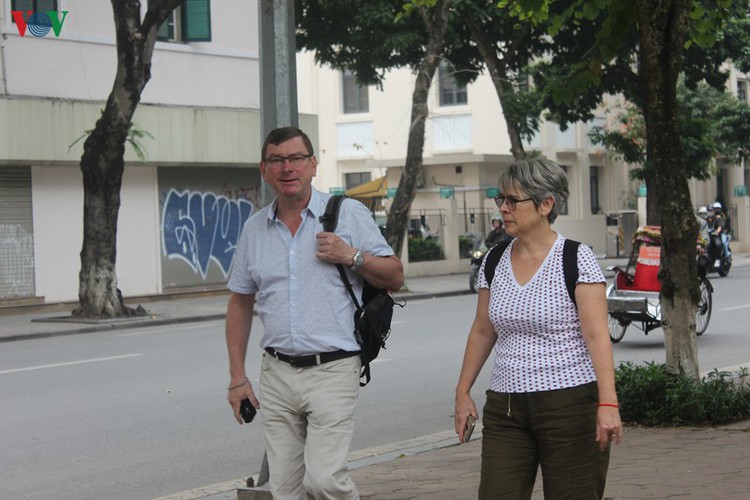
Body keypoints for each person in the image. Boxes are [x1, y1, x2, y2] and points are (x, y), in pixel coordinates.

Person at [225, 126, 404, 499]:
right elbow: (241, 301)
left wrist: (349, 255)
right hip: (276, 372)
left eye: (295, 159)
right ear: (264, 168)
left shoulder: (347, 214)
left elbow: (395, 275)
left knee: (324, 481)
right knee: (285, 490)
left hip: (333, 368)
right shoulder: (255, 229)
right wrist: (238, 377)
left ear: (313, 165)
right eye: (277, 160)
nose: (287, 167)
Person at [455, 158, 622, 499]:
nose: (503, 208)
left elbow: (596, 335)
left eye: (513, 201)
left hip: (569, 403)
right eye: (501, 199)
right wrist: (463, 391)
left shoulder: (575, 258)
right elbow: (483, 329)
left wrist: (608, 403)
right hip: (506, 407)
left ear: (546, 204)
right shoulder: (494, 259)